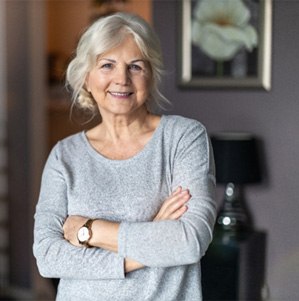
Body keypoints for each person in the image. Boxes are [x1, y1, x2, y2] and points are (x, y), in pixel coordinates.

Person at [33, 12, 216, 301]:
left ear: (150, 75)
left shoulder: (183, 138)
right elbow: (48, 257)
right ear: (86, 78)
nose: (122, 79)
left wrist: (90, 231)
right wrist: (154, 235)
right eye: (107, 65)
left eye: (135, 66)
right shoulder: (64, 156)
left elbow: (190, 240)